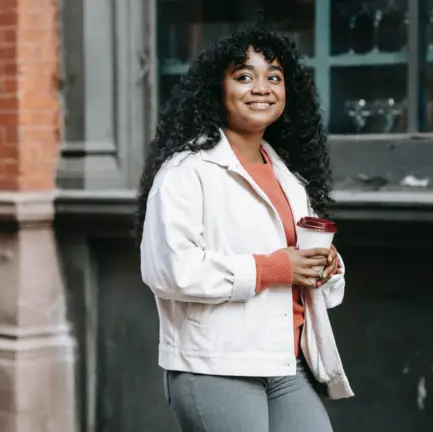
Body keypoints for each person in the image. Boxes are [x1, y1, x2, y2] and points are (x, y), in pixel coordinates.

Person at [137, 23, 353, 432]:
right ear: (217, 91)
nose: (262, 88)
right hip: (216, 365)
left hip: (286, 361)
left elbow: (304, 272)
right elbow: (170, 270)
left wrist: (327, 267)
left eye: (274, 77)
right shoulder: (186, 171)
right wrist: (272, 269)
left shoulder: (287, 175)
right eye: (244, 76)